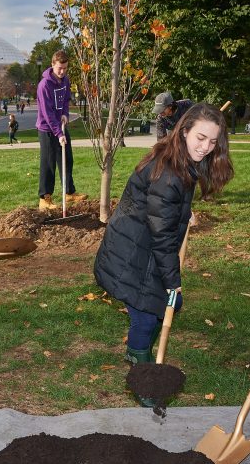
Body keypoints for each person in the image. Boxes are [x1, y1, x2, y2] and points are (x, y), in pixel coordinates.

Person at [94, 103, 233, 368]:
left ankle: (139, 351)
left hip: (141, 244)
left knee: (164, 307)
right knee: (148, 315)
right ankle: (141, 366)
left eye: (212, 141)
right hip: (131, 253)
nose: (205, 147)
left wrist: (183, 210)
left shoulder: (179, 159)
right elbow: (163, 235)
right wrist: (173, 281)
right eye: (200, 138)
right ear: (184, 132)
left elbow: (161, 208)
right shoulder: (169, 175)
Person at [35, 50, 87, 210]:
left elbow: (65, 99)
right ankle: (45, 198)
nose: (62, 71)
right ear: (52, 65)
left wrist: (65, 114)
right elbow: (47, 113)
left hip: (60, 125)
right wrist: (58, 134)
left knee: (67, 160)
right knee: (49, 163)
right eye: (60, 68)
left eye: (65, 68)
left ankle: (69, 193)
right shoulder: (44, 85)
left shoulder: (65, 80)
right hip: (47, 129)